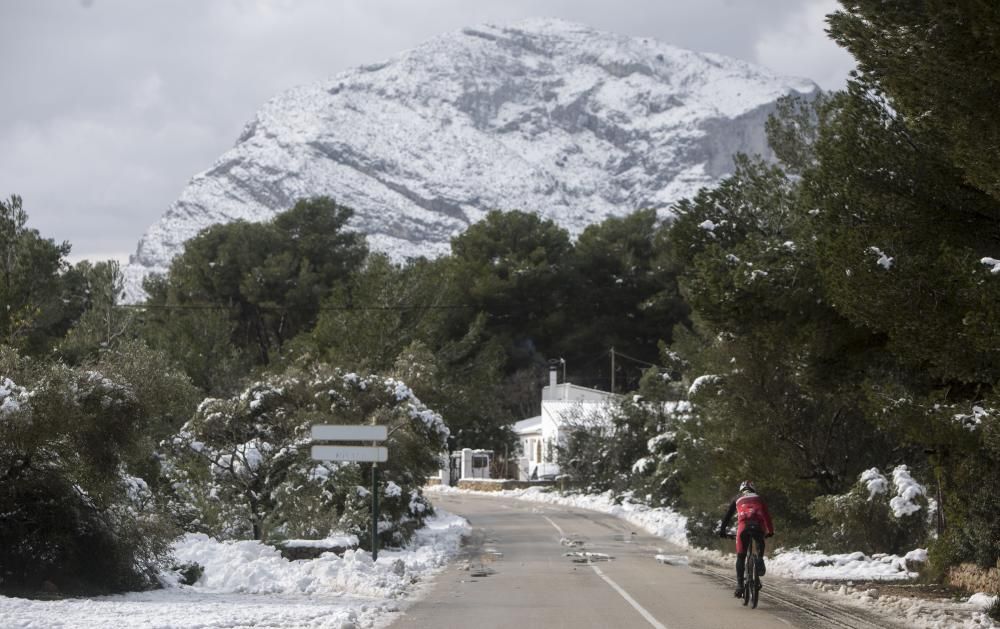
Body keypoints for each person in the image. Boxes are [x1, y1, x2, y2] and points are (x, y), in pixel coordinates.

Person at [718, 480, 774, 598]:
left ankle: (739, 586)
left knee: (741, 556)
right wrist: (771, 531)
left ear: (741, 490)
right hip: (758, 526)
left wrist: (722, 530)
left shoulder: (737, 498)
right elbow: (766, 516)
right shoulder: (759, 498)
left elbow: (727, 516)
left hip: (743, 527)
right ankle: (759, 559)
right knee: (760, 540)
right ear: (753, 489)